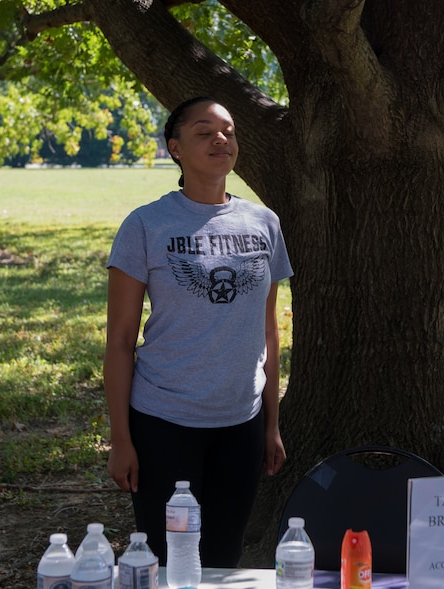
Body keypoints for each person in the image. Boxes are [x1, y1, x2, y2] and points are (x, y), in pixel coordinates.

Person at [103, 96, 293, 566]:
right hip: (163, 421)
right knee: (169, 560)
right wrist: (122, 440)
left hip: (241, 422)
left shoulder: (264, 223)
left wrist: (271, 424)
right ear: (175, 148)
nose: (220, 139)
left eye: (228, 130)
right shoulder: (145, 225)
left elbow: (268, 332)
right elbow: (121, 341)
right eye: (204, 131)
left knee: (224, 557)